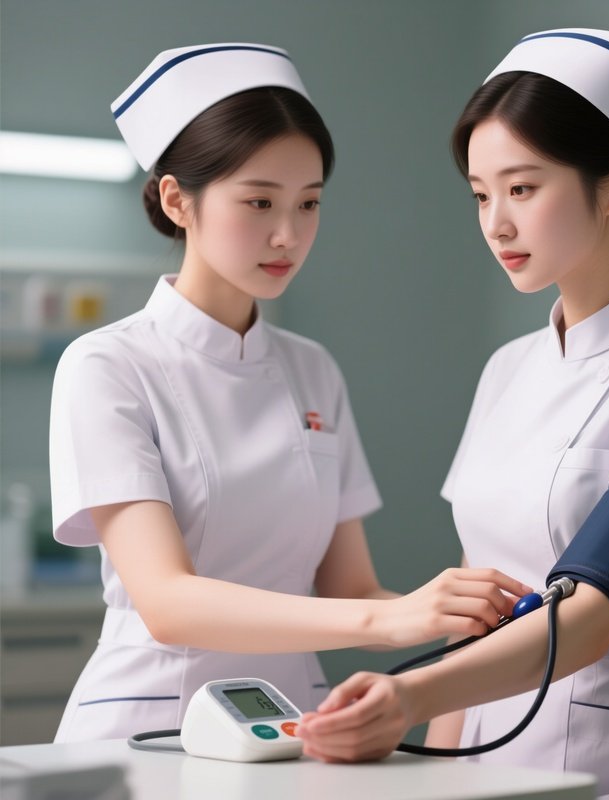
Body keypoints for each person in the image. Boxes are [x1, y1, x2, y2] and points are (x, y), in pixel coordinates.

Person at [296, 28, 609, 799]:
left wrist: (409, 696)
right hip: (490, 765)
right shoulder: (506, 370)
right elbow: (475, 607)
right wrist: (429, 771)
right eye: (481, 195)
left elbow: (595, 609)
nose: (496, 224)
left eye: (522, 188)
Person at [48, 42, 531, 743]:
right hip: (149, 723)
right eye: (259, 202)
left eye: (309, 204)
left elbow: (352, 590)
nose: (288, 234)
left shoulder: (311, 369)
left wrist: (461, 617)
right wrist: (392, 618)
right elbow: (168, 602)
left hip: (291, 722)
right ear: (178, 200)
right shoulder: (108, 364)